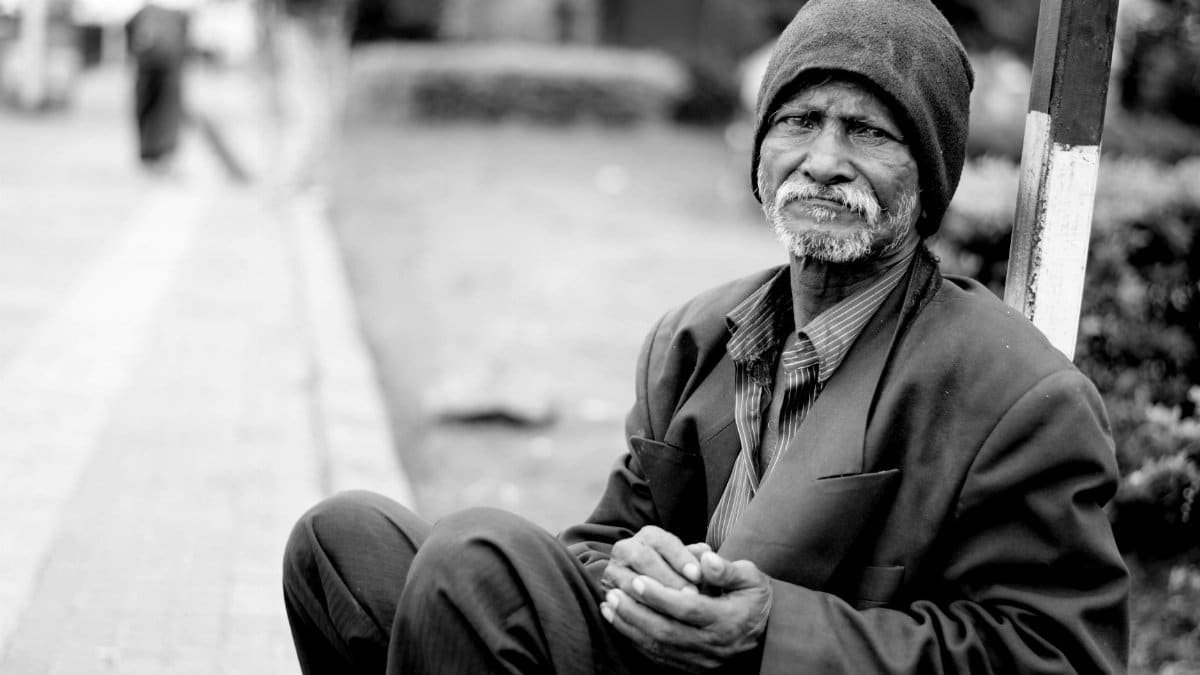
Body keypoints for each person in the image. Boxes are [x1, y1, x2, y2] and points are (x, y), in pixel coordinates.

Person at [282, 0, 1130, 672]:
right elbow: (600, 544)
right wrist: (630, 568)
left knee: (476, 564)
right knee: (342, 544)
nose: (823, 160)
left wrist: (772, 631)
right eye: (799, 122)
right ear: (760, 149)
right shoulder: (696, 339)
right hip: (654, 658)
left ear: (930, 173)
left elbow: (1052, 654)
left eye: (868, 131)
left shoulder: (1018, 394)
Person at [125, 1, 190, 171]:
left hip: (155, 69)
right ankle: (156, 153)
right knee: (161, 112)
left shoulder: (148, 14)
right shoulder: (174, 16)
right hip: (160, 69)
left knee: (157, 112)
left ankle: (154, 153)